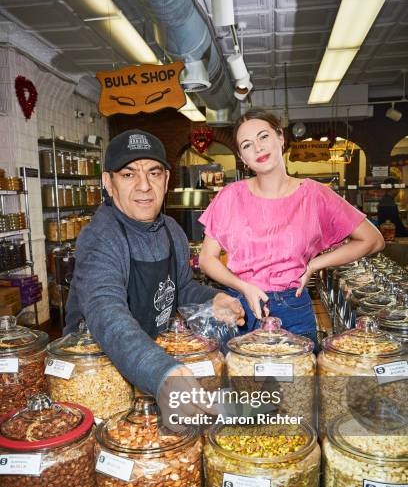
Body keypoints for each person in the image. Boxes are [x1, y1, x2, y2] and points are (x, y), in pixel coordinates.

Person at [65, 128, 244, 404]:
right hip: (104, 374)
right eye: (128, 174)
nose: (144, 185)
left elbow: (180, 288)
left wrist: (213, 300)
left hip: (155, 359)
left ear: (167, 179)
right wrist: (161, 371)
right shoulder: (100, 236)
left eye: (154, 172)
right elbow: (107, 314)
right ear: (108, 182)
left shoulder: (172, 229)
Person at [199, 108, 384, 344]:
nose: (258, 148)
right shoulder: (229, 197)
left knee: (298, 381)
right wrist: (242, 286)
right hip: (241, 310)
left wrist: (314, 264)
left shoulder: (315, 195)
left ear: (280, 137)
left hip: (293, 308)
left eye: (264, 137)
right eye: (247, 145)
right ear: (242, 158)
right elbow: (206, 259)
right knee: (243, 380)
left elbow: (373, 240)